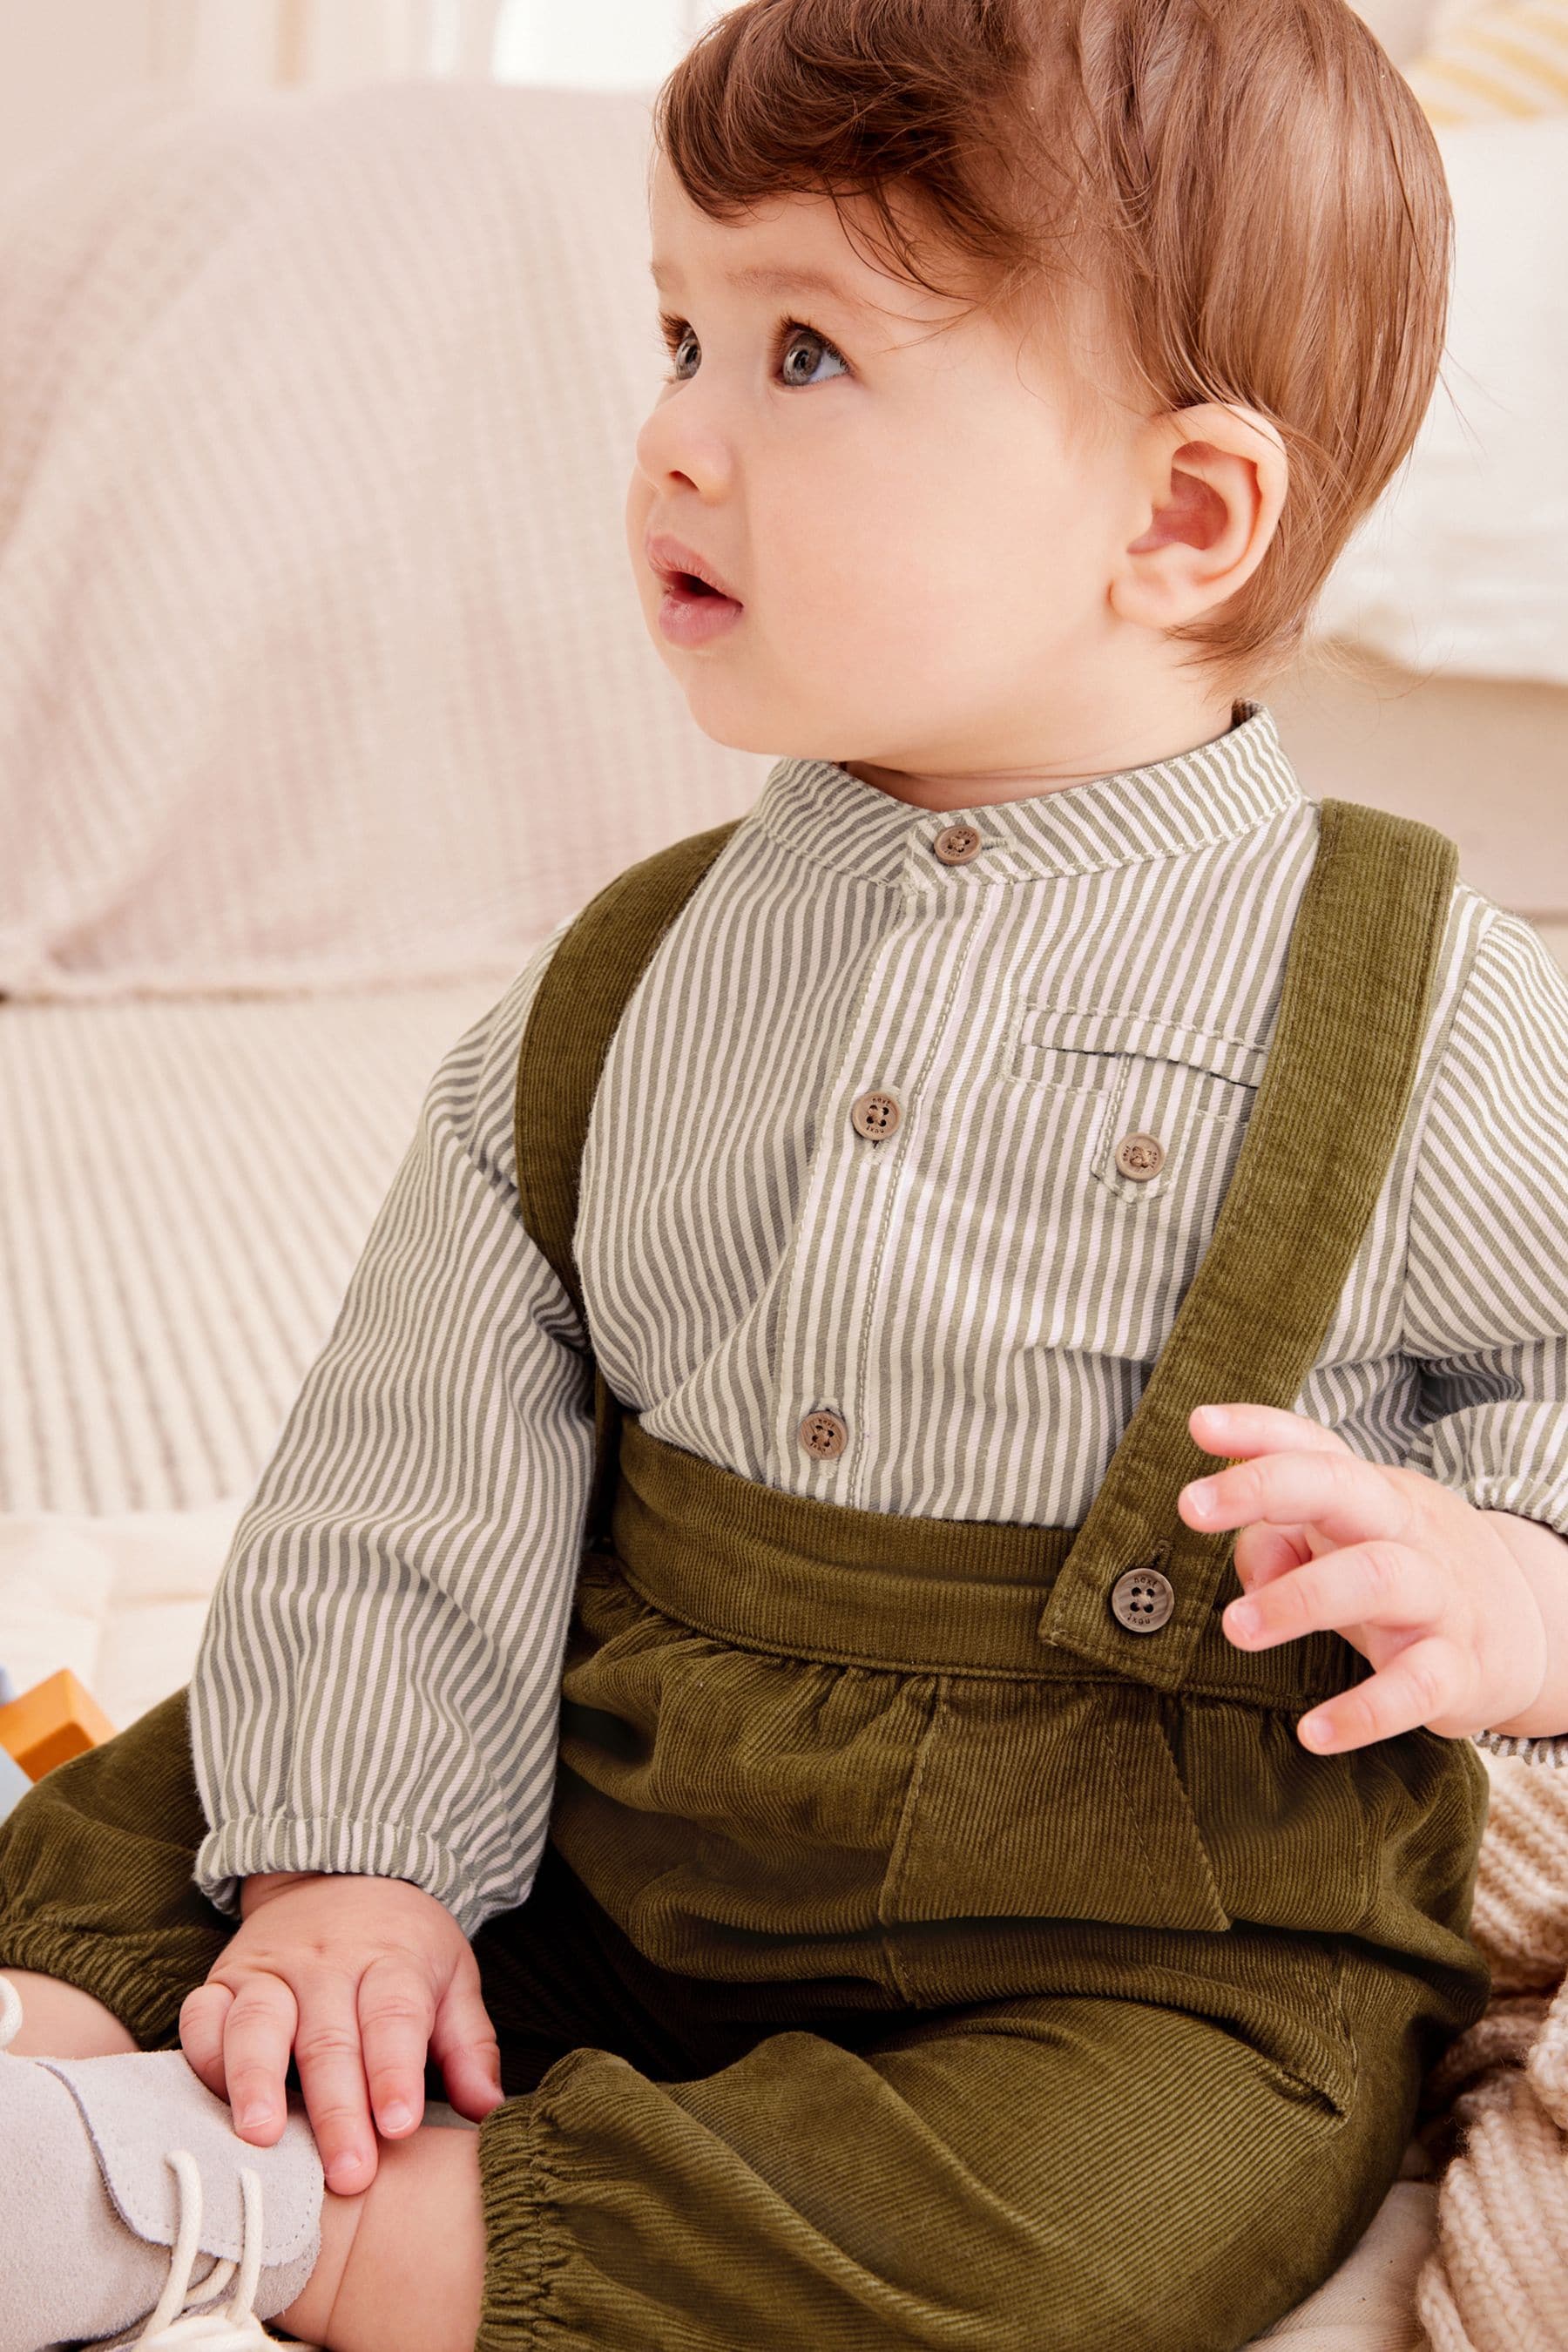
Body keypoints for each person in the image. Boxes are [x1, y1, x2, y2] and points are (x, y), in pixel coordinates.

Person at [5, 3, 1568, 2347]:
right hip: (622, 1791)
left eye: (805, 353)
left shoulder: (1419, 983)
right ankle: (85, 2054)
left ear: (1180, 512)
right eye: (678, 336)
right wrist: (354, 1862)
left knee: (1121, 2207)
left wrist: (1509, 1576)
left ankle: (275, 2217)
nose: (673, 443)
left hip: (1152, 1919)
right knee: (210, 1764)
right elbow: (427, 1444)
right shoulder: (635, 968)